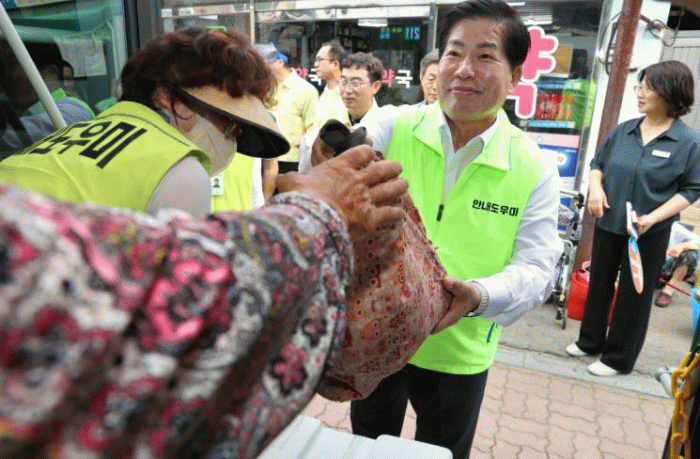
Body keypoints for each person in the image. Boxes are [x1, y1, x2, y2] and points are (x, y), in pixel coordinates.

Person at [0, 145, 408, 459]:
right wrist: (319, 212)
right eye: (231, 128)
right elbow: (194, 286)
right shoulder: (183, 167)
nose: (232, 143)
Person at [348, 1, 562, 458]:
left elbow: (538, 268)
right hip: (378, 334)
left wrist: (479, 295)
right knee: (364, 445)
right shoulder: (394, 125)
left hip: (459, 347)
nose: (464, 69)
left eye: (485, 56)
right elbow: (334, 150)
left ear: (515, 75)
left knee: (444, 451)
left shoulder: (534, 167)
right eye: (454, 53)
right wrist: (327, 148)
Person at [0, 27, 289, 218]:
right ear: (165, 96)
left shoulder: (77, 131)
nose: (230, 137)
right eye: (225, 120)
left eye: (236, 130)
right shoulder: (181, 169)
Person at [566, 60, 700, 376]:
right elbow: (597, 164)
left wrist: (653, 217)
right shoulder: (624, 130)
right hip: (610, 221)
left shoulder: (688, 142)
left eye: (649, 88)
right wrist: (595, 188)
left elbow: (692, 188)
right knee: (599, 281)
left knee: (634, 294)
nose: (640, 92)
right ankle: (590, 341)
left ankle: (618, 359)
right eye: (640, 85)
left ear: (670, 93)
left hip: (649, 232)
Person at [266, 44, 319, 175]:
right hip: (266, 156)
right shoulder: (265, 87)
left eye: (266, 59)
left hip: (291, 160)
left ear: (280, 62)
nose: (262, 63)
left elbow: (313, 129)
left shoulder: (306, 90)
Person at [654, 222, 700, 307]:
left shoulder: (674, 227)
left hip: (664, 270)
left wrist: (682, 246)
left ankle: (668, 291)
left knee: (692, 254)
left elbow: (698, 241)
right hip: (641, 269)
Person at [340, 52, 384, 126]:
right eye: (343, 81)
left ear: (375, 86)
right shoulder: (334, 120)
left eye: (355, 83)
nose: (347, 90)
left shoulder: (384, 126)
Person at [314, 41, 350, 128]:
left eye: (320, 60)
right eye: (316, 61)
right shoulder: (324, 95)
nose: (315, 65)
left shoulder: (351, 93)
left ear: (335, 64)